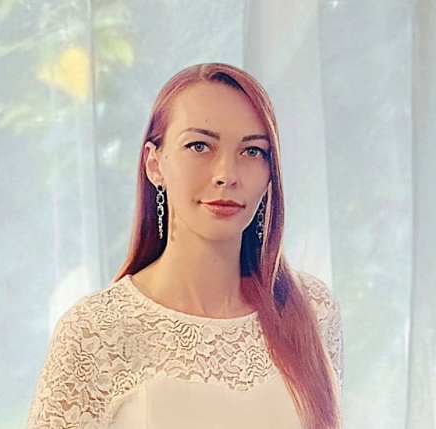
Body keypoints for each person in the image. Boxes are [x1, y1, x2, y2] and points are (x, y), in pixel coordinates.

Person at [25, 63, 343, 429]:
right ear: (154, 164)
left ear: (271, 172)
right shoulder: (95, 332)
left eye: (252, 151)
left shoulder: (313, 309)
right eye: (199, 146)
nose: (227, 174)